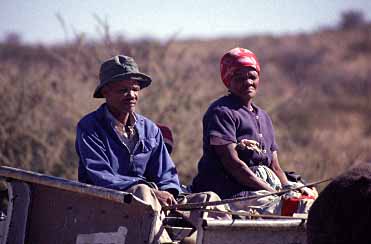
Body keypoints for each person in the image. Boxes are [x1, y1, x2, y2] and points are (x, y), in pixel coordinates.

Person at [75, 55, 229, 243]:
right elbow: (101, 175)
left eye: (135, 89)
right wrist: (153, 192)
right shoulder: (89, 126)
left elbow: (166, 172)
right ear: (106, 92)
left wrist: (170, 194)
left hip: (155, 201)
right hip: (111, 203)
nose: (131, 95)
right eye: (123, 90)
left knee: (208, 199)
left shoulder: (149, 128)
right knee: (142, 192)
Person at [192, 47, 317, 216]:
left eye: (252, 77)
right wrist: (273, 193)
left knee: (312, 198)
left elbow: (275, 166)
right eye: (240, 78)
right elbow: (234, 165)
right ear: (228, 81)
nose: (248, 82)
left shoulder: (263, 116)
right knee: (298, 208)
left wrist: (287, 187)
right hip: (231, 193)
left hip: (261, 190)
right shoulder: (221, 112)